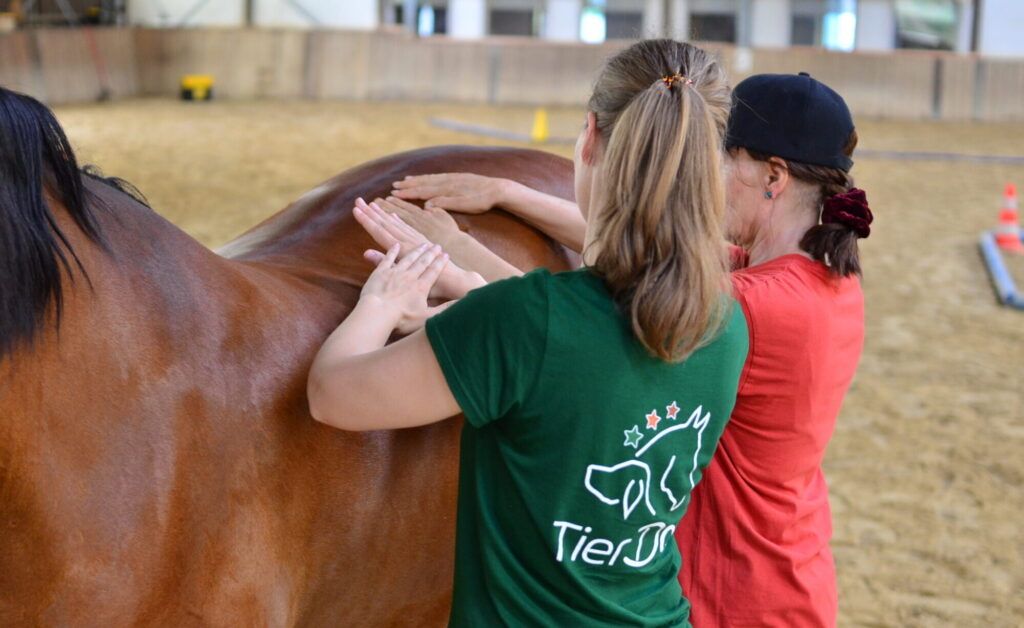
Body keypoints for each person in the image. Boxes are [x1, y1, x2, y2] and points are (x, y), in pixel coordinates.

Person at [364, 72, 872, 626]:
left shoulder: (748, 308)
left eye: (718, 162)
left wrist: (461, 271)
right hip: (794, 572)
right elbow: (648, 253)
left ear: (773, 177)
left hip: (730, 590)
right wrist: (509, 194)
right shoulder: (826, 280)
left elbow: (578, 341)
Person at [307, 39, 749, 626]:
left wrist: (382, 298)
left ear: (589, 137)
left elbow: (332, 394)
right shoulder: (727, 325)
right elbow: (584, 349)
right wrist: (467, 281)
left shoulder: (526, 322)